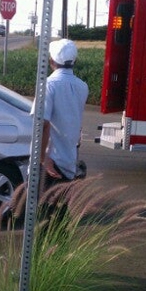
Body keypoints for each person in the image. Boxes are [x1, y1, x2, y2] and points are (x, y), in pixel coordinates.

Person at [40, 38, 88, 187]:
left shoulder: (48, 85)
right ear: (74, 61)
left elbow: (44, 124)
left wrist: (43, 158)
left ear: (51, 61)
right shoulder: (82, 86)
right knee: (62, 205)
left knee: (42, 206)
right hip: (69, 158)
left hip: (51, 160)